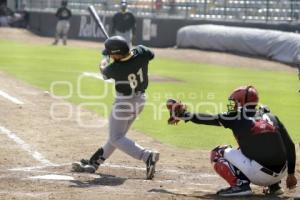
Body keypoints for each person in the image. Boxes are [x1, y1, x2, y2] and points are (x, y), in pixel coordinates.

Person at [166, 85, 297, 197]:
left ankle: (240, 186)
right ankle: (275, 187)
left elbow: (207, 118)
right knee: (260, 144)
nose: (233, 105)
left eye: (235, 102)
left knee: (218, 152)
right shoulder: (271, 116)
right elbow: (290, 145)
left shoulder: (236, 116)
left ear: (241, 102)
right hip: (282, 173)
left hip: (260, 176)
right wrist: (291, 174)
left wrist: (183, 115)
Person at [72, 36, 159, 180]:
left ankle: (147, 156)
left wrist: (105, 58)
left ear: (118, 53)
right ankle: (94, 163)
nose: (110, 55)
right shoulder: (142, 51)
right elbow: (151, 55)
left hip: (124, 102)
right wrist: (123, 52)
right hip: (140, 101)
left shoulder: (115, 68)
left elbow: (103, 69)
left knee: (116, 137)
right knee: (117, 137)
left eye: (112, 53)